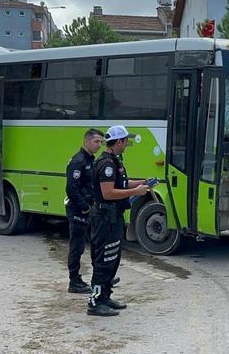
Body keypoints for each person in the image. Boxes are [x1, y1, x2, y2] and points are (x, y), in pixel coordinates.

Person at [87, 125, 151, 316]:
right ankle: (95, 303)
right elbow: (108, 193)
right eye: (126, 141)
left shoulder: (115, 160)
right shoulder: (106, 164)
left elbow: (121, 183)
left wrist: (141, 183)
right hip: (104, 218)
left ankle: (105, 296)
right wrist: (135, 192)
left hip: (113, 217)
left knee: (112, 258)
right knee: (103, 260)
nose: (127, 144)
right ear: (119, 141)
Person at [65, 129, 104, 294]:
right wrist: (84, 207)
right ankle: (74, 281)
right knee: (77, 246)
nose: (99, 145)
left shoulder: (91, 160)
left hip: (90, 208)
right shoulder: (78, 161)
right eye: (96, 141)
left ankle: (99, 277)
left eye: (101, 142)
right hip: (78, 210)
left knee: (95, 243)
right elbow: (71, 189)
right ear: (87, 142)